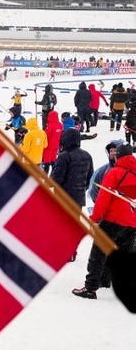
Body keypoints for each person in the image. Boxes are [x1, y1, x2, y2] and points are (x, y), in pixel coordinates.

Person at [72, 143, 136, 300]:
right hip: (132, 223)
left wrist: (95, 217)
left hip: (114, 220)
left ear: (119, 156)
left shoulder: (115, 173)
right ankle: (115, 284)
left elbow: (103, 199)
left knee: (99, 252)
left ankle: (91, 287)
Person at [51, 128, 95, 262]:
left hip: (63, 196)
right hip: (78, 197)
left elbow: (56, 179)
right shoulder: (87, 155)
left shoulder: (64, 156)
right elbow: (90, 178)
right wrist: (81, 188)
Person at [88, 139, 123, 204]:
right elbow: (93, 191)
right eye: (111, 151)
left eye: (115, 151)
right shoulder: (102, 171)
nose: (113, 153)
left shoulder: (130, 169)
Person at [41, 110, 62, 174]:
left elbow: (46, 135)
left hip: (48, 146)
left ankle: (45, 175)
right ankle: (54, 174)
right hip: (56, 146)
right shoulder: (60, 125)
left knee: (47, 162)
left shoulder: (50, 126)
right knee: (53, 161)